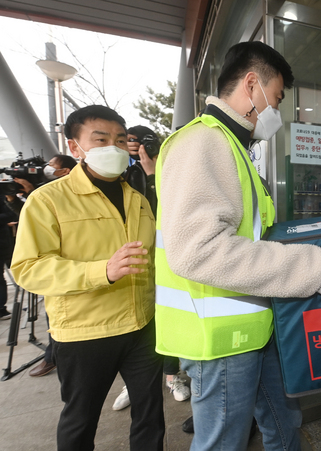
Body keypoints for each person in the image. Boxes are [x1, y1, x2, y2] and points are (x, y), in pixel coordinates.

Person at [155, 41, 321, 450]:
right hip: (221, 336)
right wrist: (311, 268)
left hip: (254, 327)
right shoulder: (202, 144)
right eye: (277, 97)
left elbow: (255, 236)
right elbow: (199, 250)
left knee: (284, 423)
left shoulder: (235, 148)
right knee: (223, 441)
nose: (277, 111)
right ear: (252, 85)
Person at [11, 105, 165, 450]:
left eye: (120, 139)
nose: (113, 146)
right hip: (85, 332)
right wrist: (103, 271)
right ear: (74, 147)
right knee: (80, 421)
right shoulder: (47, 200)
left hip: (142, 326)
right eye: (101, 139)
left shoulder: (138, 200)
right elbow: (28, 268)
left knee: (150, 417)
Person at [112, 125, 189, 409]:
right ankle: (133, 383)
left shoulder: (166, 168)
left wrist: (153, 175)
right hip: (128, 257)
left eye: (138, 142)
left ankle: (172, 376)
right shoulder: (118, 172)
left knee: (164, 317)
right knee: (136, 324)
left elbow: (169, 211)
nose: (133, 146)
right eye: (126, 141)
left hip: (165, 255)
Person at [24, 154, 77, 377]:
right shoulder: (43, 196)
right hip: (61, 288)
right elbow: (30, 268)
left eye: (51, 166)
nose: (46, 169)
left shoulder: (69, 196)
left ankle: (51, 355)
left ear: (65, 170)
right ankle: (52, 355)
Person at [5, 154, 77, 216]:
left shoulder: (69, 190)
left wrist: (31, 192)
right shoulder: (46, 185)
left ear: (65, 171)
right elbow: (28, 214)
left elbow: (46, 214)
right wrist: (12, 200)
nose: (46, 167)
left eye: (51, 164)